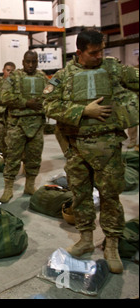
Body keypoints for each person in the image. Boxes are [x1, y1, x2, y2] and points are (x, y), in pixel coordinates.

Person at [43, 28, 139, 274]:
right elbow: (49, 105)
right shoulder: (63, 76)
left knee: (110, 197)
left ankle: (112, 244)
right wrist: (83, 111)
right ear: (79, 52)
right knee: (81, 196)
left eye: (102, 51)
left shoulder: (113, 68)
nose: (99, 56)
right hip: (76, 148)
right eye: (94, 53)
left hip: (107, 147)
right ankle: (86, 239)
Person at [0, 51, 49, 203]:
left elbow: (50, 96)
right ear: (23, 61)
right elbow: (5, 97)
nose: (30, 65)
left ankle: (30, 185)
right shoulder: (14, 76)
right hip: (17, 124)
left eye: (34, 62)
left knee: (34, 156)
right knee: (13, 157)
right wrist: (26, 103)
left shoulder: (42, 77)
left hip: (37, 124)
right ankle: (8, 188)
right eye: (28, 61)